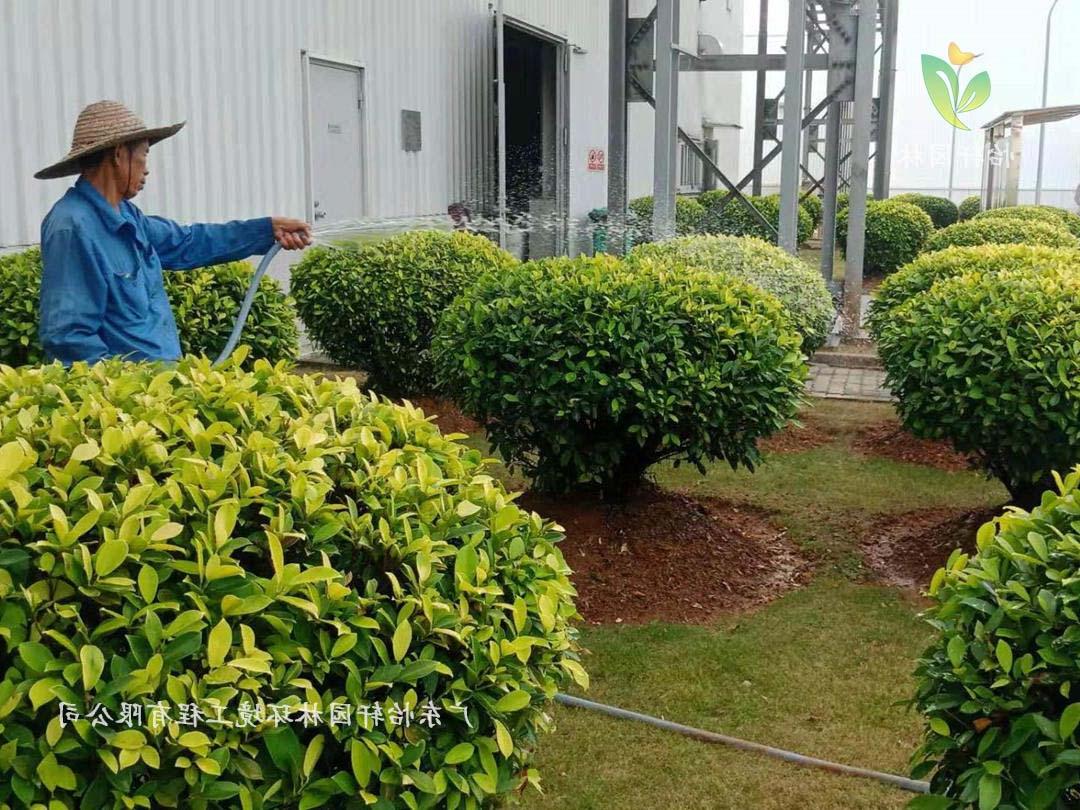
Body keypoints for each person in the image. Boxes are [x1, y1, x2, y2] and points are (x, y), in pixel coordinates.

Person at [35, 100, 312, 366]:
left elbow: (188, 242)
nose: (147, 169)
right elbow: (69, 339)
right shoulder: (72, 227)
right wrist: (127, 397)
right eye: (144, 155)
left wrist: (266, 230)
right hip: (130, 403)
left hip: (160, 393)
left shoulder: (129, 216)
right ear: (119, 155)